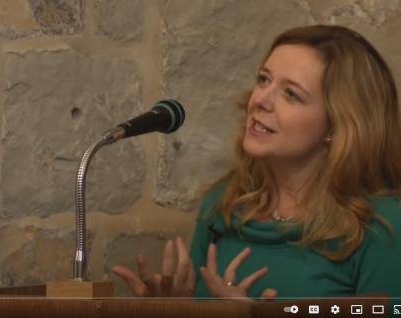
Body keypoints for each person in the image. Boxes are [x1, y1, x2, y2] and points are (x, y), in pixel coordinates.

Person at [112, 25, 401, 300]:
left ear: (337, 126)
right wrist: (175, 310)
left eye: (291, 94)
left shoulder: (383, 226)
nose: (261, 99)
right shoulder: (222, 205)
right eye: (264, 79)